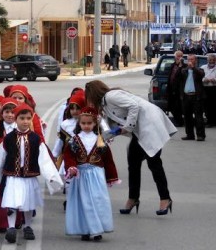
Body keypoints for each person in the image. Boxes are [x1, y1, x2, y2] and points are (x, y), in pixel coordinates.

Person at [85, 80, 176, 216]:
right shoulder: (105, 106)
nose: (89, 102)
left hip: (150, 125)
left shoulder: (111, 96)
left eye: (89, 97)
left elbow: (134, 106)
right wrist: (97, 140)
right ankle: (133, 198)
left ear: (93, 94)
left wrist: (128, 127)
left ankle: (165, 198)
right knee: (133, 163)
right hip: (140, 131)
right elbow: (110, 129)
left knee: (154, 163)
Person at [0, 103, 63, 244]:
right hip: (12, 176)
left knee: (28, 203)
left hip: (29, 177)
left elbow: (45, 160)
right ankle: (11, 227)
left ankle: (27, 226)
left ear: (31, 120)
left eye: (28, 118)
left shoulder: (36, 139)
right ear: (16, 119)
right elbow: (0, 158)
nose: (25, 121)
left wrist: (51, 176)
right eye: (22, 118)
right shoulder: (8, 138)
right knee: (12, 202)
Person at [63, 106, 119, 242]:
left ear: (95, 124)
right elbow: (68, 156)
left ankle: (98, 229)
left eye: (89, 123)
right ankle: (86, 230)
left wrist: (111, 176)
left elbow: (108, 160)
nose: (86, 126)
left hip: (96, 175)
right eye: (83, 123)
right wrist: (71, 167)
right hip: (80, 176)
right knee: (84, 203)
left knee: (97, 201)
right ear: (79, 124)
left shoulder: (100, 141)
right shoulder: (74, 140)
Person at [0, 97, 24, 232]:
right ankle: (1, 223)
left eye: (13, 112)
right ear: (2, 114)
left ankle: (16, 220)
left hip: (15, 167)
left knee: (15, 193)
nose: (10, 115)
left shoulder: (19, 128)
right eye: (7, 112)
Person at [52, 90, 86, 210]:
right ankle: (70, 200)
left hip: (85, 158)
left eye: (78, 108)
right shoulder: (66, 124)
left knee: (83, 180)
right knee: (70, 178)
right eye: (72, 108)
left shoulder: (88, 122)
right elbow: (61, 141)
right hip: (69, 156)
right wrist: (54, 154)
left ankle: (82, 202)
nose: (75, 111)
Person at [178, 54, 206, 141]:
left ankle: (200, 135)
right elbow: (178, 77)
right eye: (188, 59)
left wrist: (193, 68)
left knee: (198, 116)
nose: (190, 61)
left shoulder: (199, 70)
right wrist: (179, 65)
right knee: (187, 116)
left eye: (192, 59)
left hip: (196, 96)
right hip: (186, 96)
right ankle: (190, 135)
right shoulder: (184, 71)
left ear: (195, 60)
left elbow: (201, 74)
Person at [166, 50, 187, 127]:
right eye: (177, 56)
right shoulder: (173, 65)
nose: (179, 58)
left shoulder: (184, 66)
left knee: (178, 106)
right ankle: (177, 119)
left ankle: (179, 121)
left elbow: (182, 76)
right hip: (171, 88)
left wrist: (180, 65)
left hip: (179, 89)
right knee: (171, 106)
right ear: (175, 57)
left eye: (180, 56)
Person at [201, 53, 216, 128]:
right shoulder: (203, 67)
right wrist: (204, 79)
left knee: (213, 105)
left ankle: (213, 121)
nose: (212, 61)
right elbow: (199, 77)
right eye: (210, 60)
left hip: (214, 88)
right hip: (205, 88)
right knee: (206, 105)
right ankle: (209, 120)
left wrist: (214, 80)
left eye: (213, 60)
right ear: (207, 60)